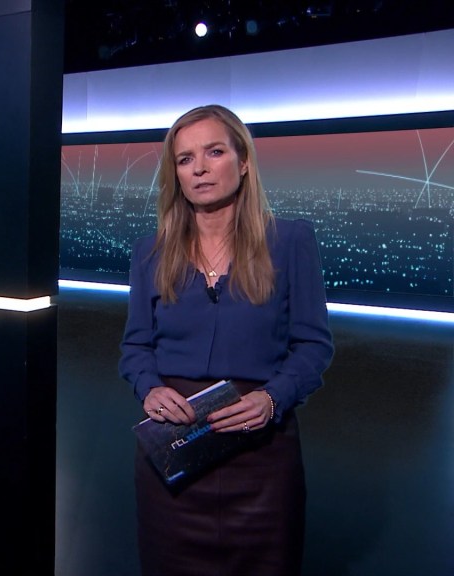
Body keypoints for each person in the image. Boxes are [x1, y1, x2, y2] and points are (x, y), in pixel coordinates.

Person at [119, 104, 334, 575]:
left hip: (260, 455)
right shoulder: (150, 252)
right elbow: (135, 347)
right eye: (185, 159)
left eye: (214, 152)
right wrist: (149, 388)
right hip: (175, 451)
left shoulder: (290, 241)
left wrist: (272, 399)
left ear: (244, 162)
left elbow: (314, 345)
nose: (199, 168)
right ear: (175, 175)